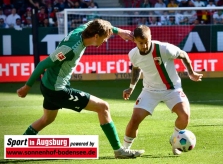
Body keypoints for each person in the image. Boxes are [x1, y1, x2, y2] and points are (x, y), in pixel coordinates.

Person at [16, 19, 145, 159]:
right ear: (96, 36)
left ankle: (18, 149)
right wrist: (26, 87)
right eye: (105, 38)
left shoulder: (82, 31)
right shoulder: (70, 49)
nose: (106, 41)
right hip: (57, 90)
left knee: (46, 119)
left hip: (49, 85)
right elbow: (42, 64)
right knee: (103, 107)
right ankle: (119, 151)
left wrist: (119, 31)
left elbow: (95, 22)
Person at [122, 25, 203, 155]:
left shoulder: (164, 49)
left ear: (151, 38)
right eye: (141, 43)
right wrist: (131, 88)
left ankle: (175, 141)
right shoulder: (133, 54)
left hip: (172, 89)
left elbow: (183, 54)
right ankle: (124, 149)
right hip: (150, 91)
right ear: (134, 41)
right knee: (135, 119)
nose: (144, 46)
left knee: (185, 115)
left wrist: (191, 72)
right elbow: (136, 69)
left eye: (146, 42)